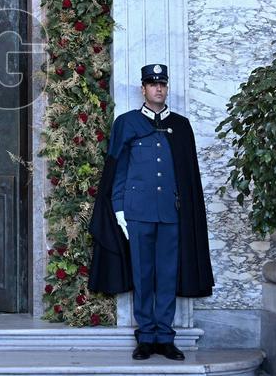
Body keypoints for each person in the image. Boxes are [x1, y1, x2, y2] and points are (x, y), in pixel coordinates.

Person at [88, 64, 214, 361]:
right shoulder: (127, 123)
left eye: (162, 84)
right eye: (152, 84)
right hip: (137, 213)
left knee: (168, 275)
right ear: (142, 89)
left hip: (170, 214)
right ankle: (145, 336)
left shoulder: (180, 126)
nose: (159, 89)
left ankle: (165, 336)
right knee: (142, 274)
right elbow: (117, 171)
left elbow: (188, 176)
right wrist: (119, 211)